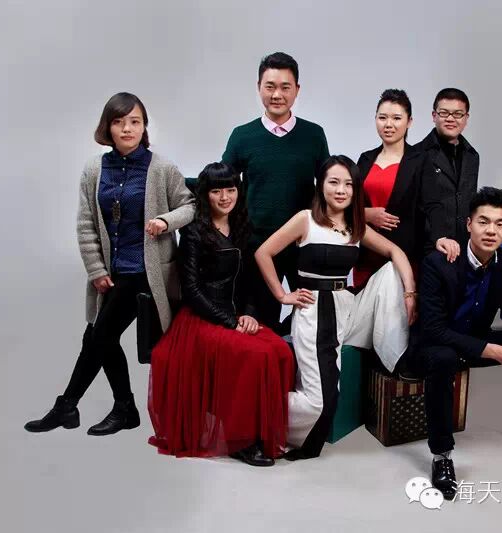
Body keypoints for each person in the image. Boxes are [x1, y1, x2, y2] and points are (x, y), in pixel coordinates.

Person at [24, 92, 195, 436]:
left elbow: (190, 206)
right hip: (112, 272)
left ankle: (70, 406)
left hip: (146, 272)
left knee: (99, 335)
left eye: (135, 121)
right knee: (101, 337)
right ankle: (120, 408)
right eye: (119, 122)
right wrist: (97, 270)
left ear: (144, 127)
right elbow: (86, 222)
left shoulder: (161, 168)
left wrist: (165, 221)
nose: (127, 128)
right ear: (108, 128)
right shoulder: (94, 169)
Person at [255, 155, 417, 459]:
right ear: (321, 185)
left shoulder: (355, 227)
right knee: (320, 402)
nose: (341, 190)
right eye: (334, 182)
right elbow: (263, 252)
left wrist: (410, 293)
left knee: (391, 271)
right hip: (312, 312)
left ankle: (398, 359)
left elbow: (395, 251)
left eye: (348, 184)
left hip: (346, 308)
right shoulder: (305, 219)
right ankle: (259, 413)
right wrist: (283, 295)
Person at [148, 163, 294, 467]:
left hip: (235, 314)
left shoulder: (242, 227)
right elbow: (191, 290)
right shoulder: (194, 232)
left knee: (279, 350)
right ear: (205, 195)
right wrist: (230, 322)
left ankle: (265, 431)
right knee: (254, 355)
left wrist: (249, 314)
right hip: (201, 318)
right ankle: (242, 441)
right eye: (217, 191)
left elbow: (251, 281)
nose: (225, 197)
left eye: (231, 189)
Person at [409, 187, 502, 501]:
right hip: (435, 345)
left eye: (499, 224)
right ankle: (442, 455)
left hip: (474, 340)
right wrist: (496, 352)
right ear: (468, 224)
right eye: (483, 222)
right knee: (444, 359)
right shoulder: (439, 262)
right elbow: (433, 329)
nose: (491, 230)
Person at [222, 51, 330, 334]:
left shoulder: (314, 135)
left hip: (304, 245)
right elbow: (220, 184)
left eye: (285, 87)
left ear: (297, 90)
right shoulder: (242, 136)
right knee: (261, 325)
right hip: (258, 246)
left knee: (310, 323)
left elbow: (329, 188)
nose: (277, 95)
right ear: (259, 87)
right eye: (269, 87)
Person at [354, 89, 426, 293]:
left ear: (409, 122)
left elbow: (428, 208)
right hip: (366, 254)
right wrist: (368, 214)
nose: (388, 124)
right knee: (362, 310)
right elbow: (348, 203)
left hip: (405, 256)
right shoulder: (365, 159)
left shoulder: (421, 160)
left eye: (396, 118)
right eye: (382, 117)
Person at [415, 88, 480, 259]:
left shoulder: (472, 156)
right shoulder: (417, 154)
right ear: (434, 116)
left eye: (458, 114)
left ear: (466, 118)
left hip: (464, 248)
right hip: (426, 248)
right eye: (444, 113)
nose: (450, 119)